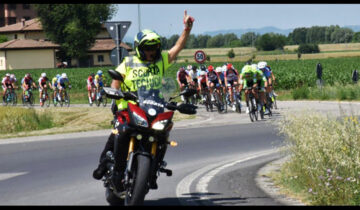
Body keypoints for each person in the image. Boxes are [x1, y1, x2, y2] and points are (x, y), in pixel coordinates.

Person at [92, 10, 195, 191]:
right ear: (140, 47)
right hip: (129, 106)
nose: (152, 51)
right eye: (148, 47)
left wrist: (186, 29)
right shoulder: (129, 62)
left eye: (154, 47)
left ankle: (154, 167)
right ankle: (110, 168)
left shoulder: (161, 60)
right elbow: (116, 80)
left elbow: (177, 47)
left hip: (153, 107)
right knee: (120, 132)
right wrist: (115, 95)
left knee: (164, 133)